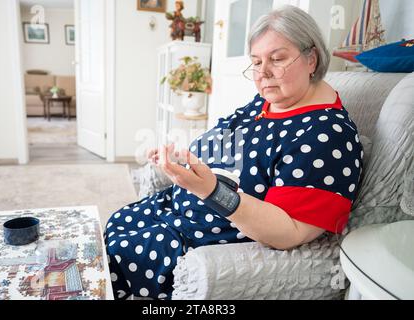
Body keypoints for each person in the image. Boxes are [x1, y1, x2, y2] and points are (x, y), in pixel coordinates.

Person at [105, 5, 363, 300]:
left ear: (311, 59)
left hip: (199, 239)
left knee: (113, 260)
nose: (263, 73)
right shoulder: (267, 101)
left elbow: (289, 231)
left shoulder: (326, 136)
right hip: (177, 210)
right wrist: (184, 161)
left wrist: (212, 191)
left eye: (277, 59)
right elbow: (224, 144)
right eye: (255, 62)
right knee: (115, 224)